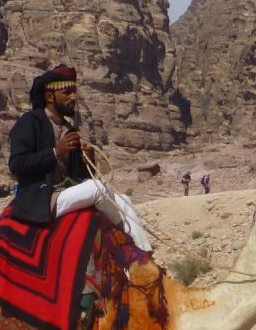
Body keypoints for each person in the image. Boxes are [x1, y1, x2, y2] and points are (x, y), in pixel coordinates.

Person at [9, 65, 152, 251]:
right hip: (43, 198)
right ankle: (134, 252)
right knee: (98, 189)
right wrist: (55, 152)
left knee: (124, 200)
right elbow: (16, 165)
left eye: (74, 92)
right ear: (49, 96)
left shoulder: (69, 130)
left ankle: (145, 254)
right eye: (67, 92)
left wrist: (88, 163)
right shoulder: (29, 122)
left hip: (65, 192)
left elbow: (78, 176)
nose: (73, 98)